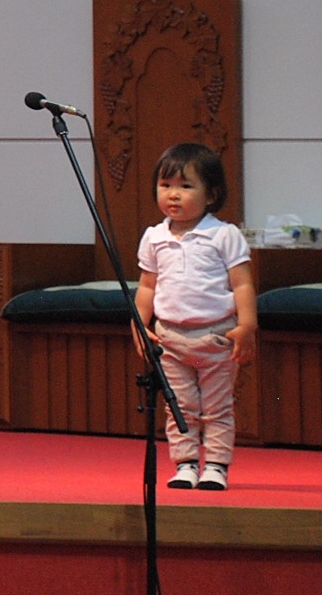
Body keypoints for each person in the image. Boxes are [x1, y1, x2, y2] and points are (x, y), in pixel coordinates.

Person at [135, 142, 256, 491]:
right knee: (179, 407)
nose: (173, 194)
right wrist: (139, 324)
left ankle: (216, 466)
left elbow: (242, 284)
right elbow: (147, 286)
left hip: (216, 336)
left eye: (186, 186)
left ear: (212, 194)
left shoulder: (223, 234)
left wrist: (247, 325)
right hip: (170, 338)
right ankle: (185, 463)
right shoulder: (154, 237)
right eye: (165, 185)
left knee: (217, 408)